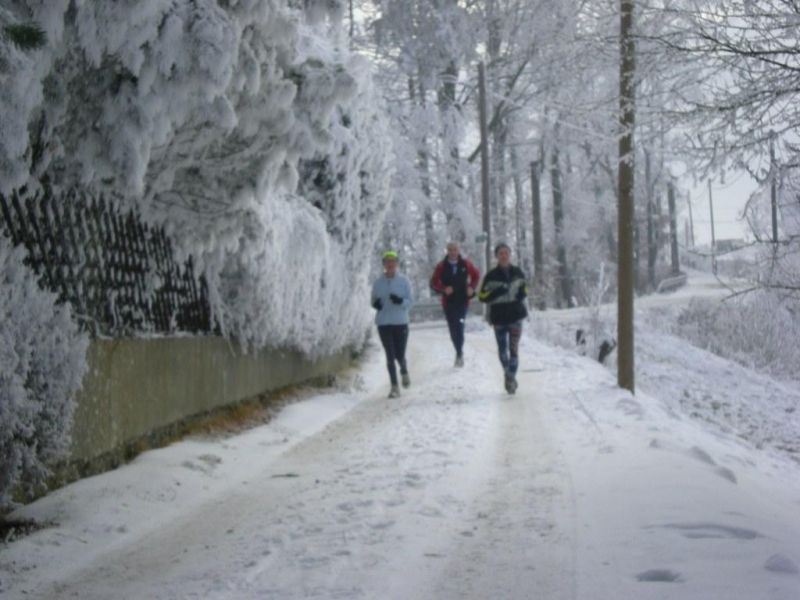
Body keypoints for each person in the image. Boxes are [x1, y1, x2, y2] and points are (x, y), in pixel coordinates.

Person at [478, 242, 528, 394]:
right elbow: (482, 296)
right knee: (502, 350)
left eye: (506, 252)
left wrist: (521, 294)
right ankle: (508, 373)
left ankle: (510, 377)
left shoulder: (518, 272)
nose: (504, 255)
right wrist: (497, 292)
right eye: (501, 253)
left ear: (510, 255)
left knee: (514, 349)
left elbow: (525, 288)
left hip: (515, 315)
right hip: (499, 318)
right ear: (496, 256)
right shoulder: (491, 276)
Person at [429, 241, 481, 367]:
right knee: (453, 328)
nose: (453, 252)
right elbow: (433, 283)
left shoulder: (466, 264)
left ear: (458, 251)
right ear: (447, 251)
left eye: (455, 250)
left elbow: (476, 275)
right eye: (450, 250)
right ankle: (458, 351)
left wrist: (471, 288)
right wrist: (443, 288)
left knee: (460, 326)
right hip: (448, 302)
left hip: (463, 301)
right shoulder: (441, 266)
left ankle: (459, 354)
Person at [371, 250, 413, 398]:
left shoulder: (404, 281)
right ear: (384, 264)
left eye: (393, 261)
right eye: (387, 261)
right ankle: (394, 386)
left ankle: (404, 369)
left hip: (400, 322)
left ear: (396, 264)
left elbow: (410, 302)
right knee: (390, 355)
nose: (390, 264)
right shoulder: (377, 283)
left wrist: (401, 301)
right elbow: (373, 300)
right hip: (383, 323)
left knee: (399, 354)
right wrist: (376, 304)